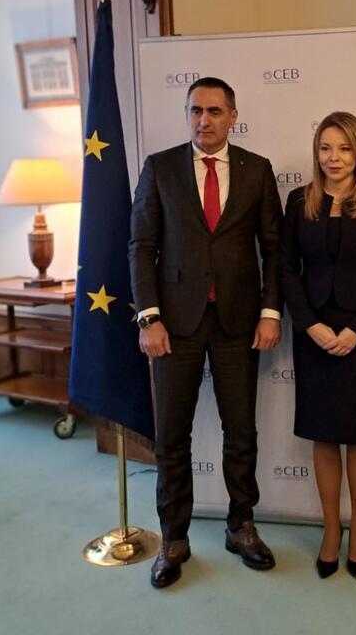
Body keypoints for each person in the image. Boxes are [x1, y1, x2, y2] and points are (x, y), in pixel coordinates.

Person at [129, 76, 283, 589]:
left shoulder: (257, 170)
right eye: (196, 110)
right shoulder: (160, 168)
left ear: (232, 117)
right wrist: (149, 317)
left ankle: (241, 526)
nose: (204, 120)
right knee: (172, 436)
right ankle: (174, 537)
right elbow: (140, 246)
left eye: (215, 111)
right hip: (174, 325)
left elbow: (274, 249)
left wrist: (271, 312)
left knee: (242, 432)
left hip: (239, 322)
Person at [279, 112, 356, 580]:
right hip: (313, 333)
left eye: (344, 148)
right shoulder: (299, 201)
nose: (334, 158)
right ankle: (331, 530)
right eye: (326, 148)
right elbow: (286, 268)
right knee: (323, 434)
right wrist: (309, 325)